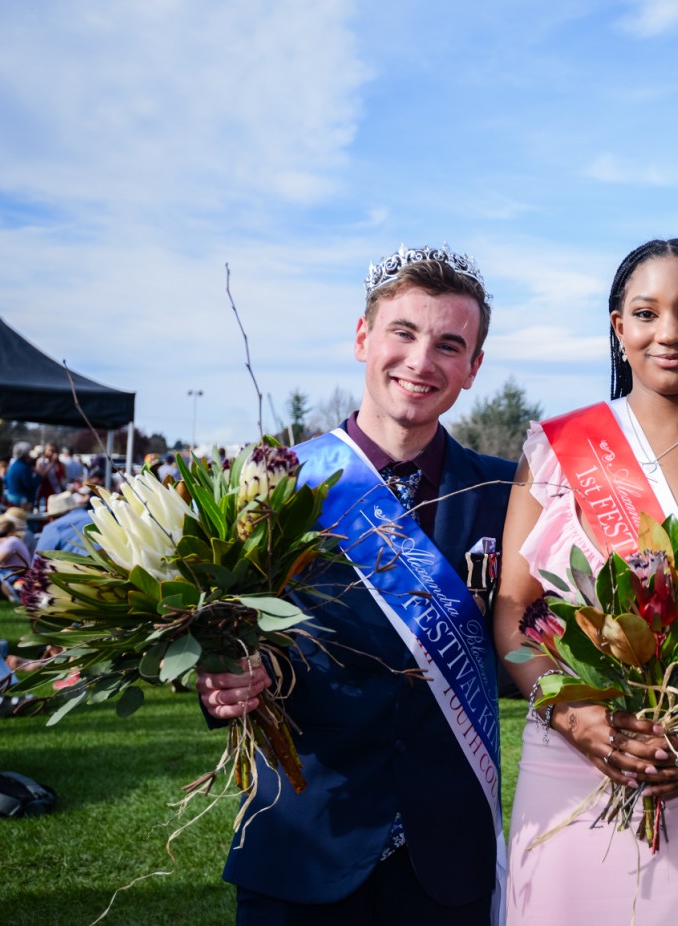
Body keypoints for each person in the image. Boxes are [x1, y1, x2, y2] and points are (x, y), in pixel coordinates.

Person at [194, 245, 515, 925]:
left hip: (446, 860)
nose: (421, 361)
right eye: (402, 332)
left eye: (449, 344)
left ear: (473, 367)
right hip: (304, 838)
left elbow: (522, 650)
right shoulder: (276, 483)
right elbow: (220, 633)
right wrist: (221, 677)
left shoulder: (504, 493)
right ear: (363, 337)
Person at [494, 239, 678, 924]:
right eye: (645, 312)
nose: (669, 333)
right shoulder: (556, 447)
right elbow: (514, 606)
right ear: (617, 327)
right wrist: (578, 720)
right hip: (573, 762)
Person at [34, 491, 95, 556]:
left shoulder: (54, 527)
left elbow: (39, 559)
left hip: (79, 564)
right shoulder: (94, 517)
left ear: (52, 518)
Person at [4, 443, 40, 510]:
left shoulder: (13, 465)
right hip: (21, 501)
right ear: (25, 454)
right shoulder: (24, 468)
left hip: (10, 499)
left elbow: (5, 480)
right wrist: (39, 476)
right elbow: (29, 485)